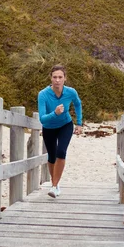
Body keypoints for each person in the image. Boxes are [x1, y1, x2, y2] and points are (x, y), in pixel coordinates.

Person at [37, 65, 82, 198]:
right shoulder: (43, 94)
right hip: (49, 127)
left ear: (65, 79)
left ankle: (55, 186)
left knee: (61, 152)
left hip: (65, 125)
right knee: (51, 157)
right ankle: (54, 184)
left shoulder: (71, 92)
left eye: (60, 77)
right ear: (50, 78)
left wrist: (79, 123)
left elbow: (78, 104)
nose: (57, 80)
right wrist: (55, 113)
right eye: (54, 77)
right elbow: (42, 119)